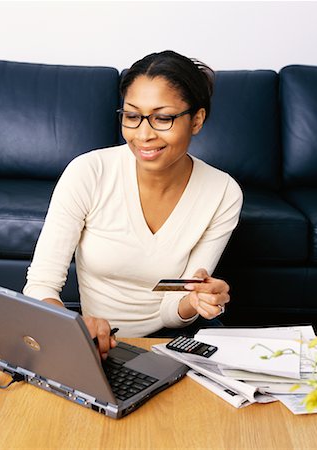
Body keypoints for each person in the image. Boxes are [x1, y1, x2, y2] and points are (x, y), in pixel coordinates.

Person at [23, 50, 243, 359]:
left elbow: (173, 305)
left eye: (163, 118)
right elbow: (41, 284)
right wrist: (72, 325)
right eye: (132, 116)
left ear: (196, 120)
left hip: (177, 336)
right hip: (99, 342)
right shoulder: (89, 172)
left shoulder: (222, 192)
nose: (143, 135)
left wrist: (196, 300)